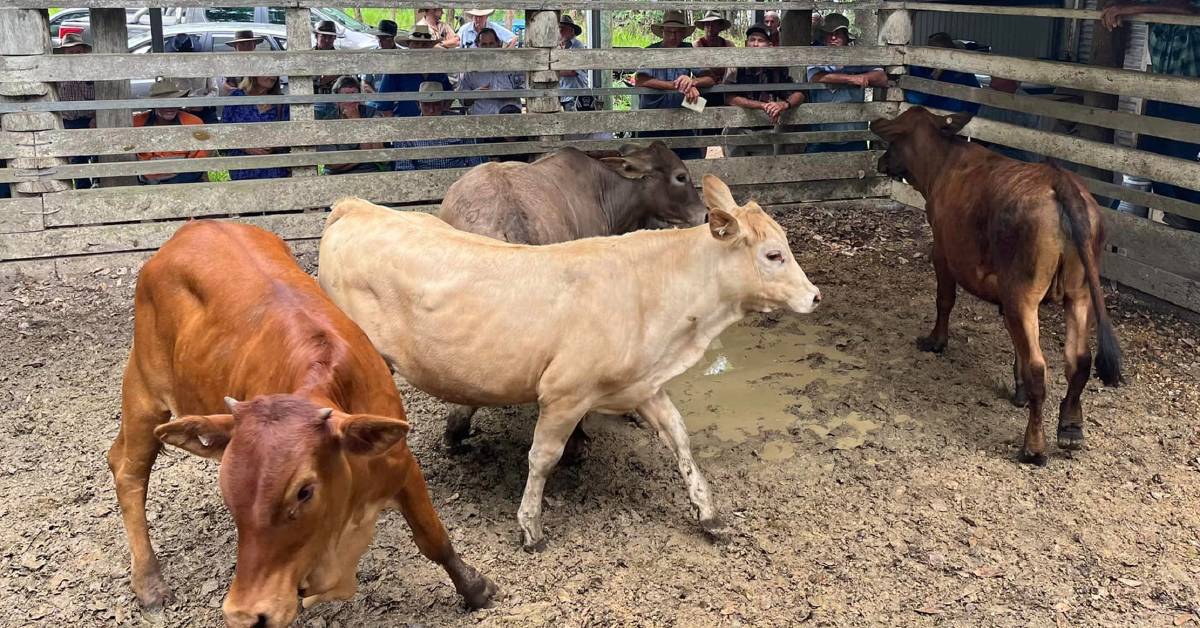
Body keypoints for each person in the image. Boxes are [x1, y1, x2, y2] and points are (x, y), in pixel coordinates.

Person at [1103, 0, 1200, 231]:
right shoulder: (1152, 4)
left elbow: (1190, 10)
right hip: (1161, 95)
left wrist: (1129, 8)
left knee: (1187, 173)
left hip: (1192, 101)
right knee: (1151, 163)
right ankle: (1176, 221)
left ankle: (1191, 227)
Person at [633, 10, 714, 160]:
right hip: (653, 116)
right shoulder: (651, 51)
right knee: (651, 164)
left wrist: (692, 82)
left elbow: (709, 78)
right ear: (662, 32)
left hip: (682, 115)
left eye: (677, 32)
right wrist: (678, 85)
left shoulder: (688, 50)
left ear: (683, 33)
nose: (673, 36)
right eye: (669, 31)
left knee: (689, 160)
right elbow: (641, 80)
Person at [806, 13, 887, 152]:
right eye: (829, 34)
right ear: (824, 37)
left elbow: (881, 77)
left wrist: (861, 76)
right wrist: (851, 78)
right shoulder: (817, 55)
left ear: (846, 36)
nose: (833, 38)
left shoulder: (858, 56)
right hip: (821, 135)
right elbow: (815, 76)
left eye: (838, 34)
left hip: (854, 135)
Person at [723, 24, 808, 157]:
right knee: (735, 171)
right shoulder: (736, 67)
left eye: (760, 40)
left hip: (766, 131)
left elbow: (799, 94)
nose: (755, 44)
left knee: (765, 171)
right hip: (738, 128)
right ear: (746, 44)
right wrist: (762, 105)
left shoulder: (776, 69)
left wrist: (784, 104)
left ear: (769, 45)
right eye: (752, 40)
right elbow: (729, 97)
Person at [393, 81, 490, 171]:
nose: (431, 110)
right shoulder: (407, 131)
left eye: (436, 104)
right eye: (426, 105)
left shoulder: (460, 123)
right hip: (424, 182)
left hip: (459, 180)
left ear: (443, 103)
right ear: (418, 105)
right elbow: (405, 168)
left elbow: (475, 160)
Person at [132, 79, 208, 185]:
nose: (170, 107)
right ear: (154, 105)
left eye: (174, 102)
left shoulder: (193, 123)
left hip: (184, 181)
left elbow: (199, 160)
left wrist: (173, 182)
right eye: (164, 103)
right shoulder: (137, 122)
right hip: (146, 182)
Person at [369, 25, 453, 117]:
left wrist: (439, 117)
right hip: (404, 124)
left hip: (434, 125)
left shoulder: (437, 70)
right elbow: (384, 105)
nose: (420, 48)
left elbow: (448, 96)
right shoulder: (396, 70)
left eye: (424, 44)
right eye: (416, 44)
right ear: (409, 45)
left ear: (430, 47)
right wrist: (396, 128)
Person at [220, 75, 291, 180]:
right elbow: (223, 132)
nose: (273, 77)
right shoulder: (236, 97)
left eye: (276, 73)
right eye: (268, 72)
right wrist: (246, 147)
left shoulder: (280, 102)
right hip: (243, 168)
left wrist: (273, 146)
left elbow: (290, 135)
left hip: (275, 169)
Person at [52, 33, 97, 189]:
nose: (74, 55)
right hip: (68, 122)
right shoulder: (56, 73)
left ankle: (100, 186)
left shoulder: (93, 71)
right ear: (64, 53)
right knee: (76, 159)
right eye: (70, 52)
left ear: (83, 52)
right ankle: (81, 190)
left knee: (98, 154)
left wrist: (96, 117)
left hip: (91, 120)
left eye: (77, 52)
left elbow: (103, 96)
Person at [317, 76, 387, 175]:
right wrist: (365, 152)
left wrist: (356, 120)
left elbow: (379, 155)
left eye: (354, 94)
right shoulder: (329, 121)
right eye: (346, 95)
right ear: (337, 101)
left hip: (369, 172)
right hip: (336, 175)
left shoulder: (372, 114)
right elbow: (331, 163)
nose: (350, 100)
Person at [904, 33, 982, 115]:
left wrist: (966, 115)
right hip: (928, 117)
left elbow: (976, 97)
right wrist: (936, 73)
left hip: (954, 118)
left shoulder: (961, 71)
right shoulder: (920, 67)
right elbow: (916, 98)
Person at [457, 28, 525, 115]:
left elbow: (524, 88)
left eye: (491, 43)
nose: (488, 47)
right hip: (480, 122)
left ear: (498, 44)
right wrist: (474, 94)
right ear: (478, 46)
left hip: (510, 120)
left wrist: (508, 93)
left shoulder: (510, 67)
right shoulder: (471, 71)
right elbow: (463, 101)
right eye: (484, 44)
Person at [975, 77, 1041, 163]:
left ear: (1010, 78)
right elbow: (979, 134)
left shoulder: (1028, 104)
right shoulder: (990, 100)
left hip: (1019, 161)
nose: (992, 75)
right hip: (992, 157)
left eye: (998, 73)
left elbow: (1026, 142)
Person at [165, 33, 219, 124]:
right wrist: (181, 104)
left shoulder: (206, 67)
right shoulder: (170, 70)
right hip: (180, 112)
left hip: (203, 111)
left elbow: (214, 90)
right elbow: (166, 93)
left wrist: (201, 103)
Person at [693, 10, 733, 109]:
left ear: (720, 27)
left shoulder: (728, 44)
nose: (710, 27)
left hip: (724, 89)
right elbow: (698, 70)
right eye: (707, 24)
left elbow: (733, 70)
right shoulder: (697, 45)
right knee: (696, 110)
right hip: (702, 89)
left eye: (714, 24)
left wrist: (725, 81)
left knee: (725, 110)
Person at [557, 15, 591, 111]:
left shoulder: (578, 46)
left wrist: (553, 71)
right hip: (561, 93)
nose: (560, 31)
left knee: (574, 121)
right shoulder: (558, 46)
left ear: (571, 31)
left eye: (563, 28)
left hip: (575, 94)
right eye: (559, 28)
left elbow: (572, 71)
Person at [218, 30, 265, 97]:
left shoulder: (262, 63)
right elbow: (225, 84)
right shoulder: (230, 64)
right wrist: (235, 90)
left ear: (254, 45)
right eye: (242, 44)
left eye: (249, 44)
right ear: (235, 47)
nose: (246, 47)